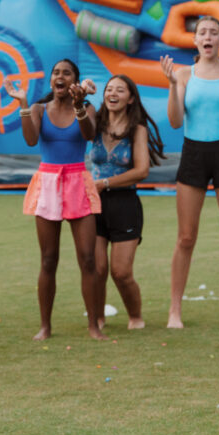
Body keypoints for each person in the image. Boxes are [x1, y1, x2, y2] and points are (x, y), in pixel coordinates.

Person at [160, 16, 219, 328]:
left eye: (214, 33)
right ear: (195, 40)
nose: (208, 37)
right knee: (186, 237)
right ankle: (174, 311)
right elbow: (175, 121)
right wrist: (172, 86)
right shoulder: (184, 75)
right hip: (194, 155)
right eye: (202, 32)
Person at [4, 58, 105, 341]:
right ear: (51, 80)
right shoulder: (38, 109)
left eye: (67, 73)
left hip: (77, 182)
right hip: (48, 184)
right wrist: (23, 102)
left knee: (88, 259)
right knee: (48, 260)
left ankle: (93, 326)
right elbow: (30, 140)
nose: (60, 76)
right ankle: (45, 327)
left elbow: (89, 134)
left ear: (75, 81)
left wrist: (79, 106)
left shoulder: (87, 108)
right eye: (56, 73)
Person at [71, 74, 164, 330]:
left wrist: (105, 183)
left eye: (120, 90)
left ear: (131, 98)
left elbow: (142, 171)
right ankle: (97, 317)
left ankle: (136, 317)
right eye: (109, 89)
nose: (113, 93)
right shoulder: (95, 123)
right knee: (97, 268)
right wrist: (83, 92)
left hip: (125, 204)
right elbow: (77, 110)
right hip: (94, 204)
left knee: (121, 272)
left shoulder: (137, 130)